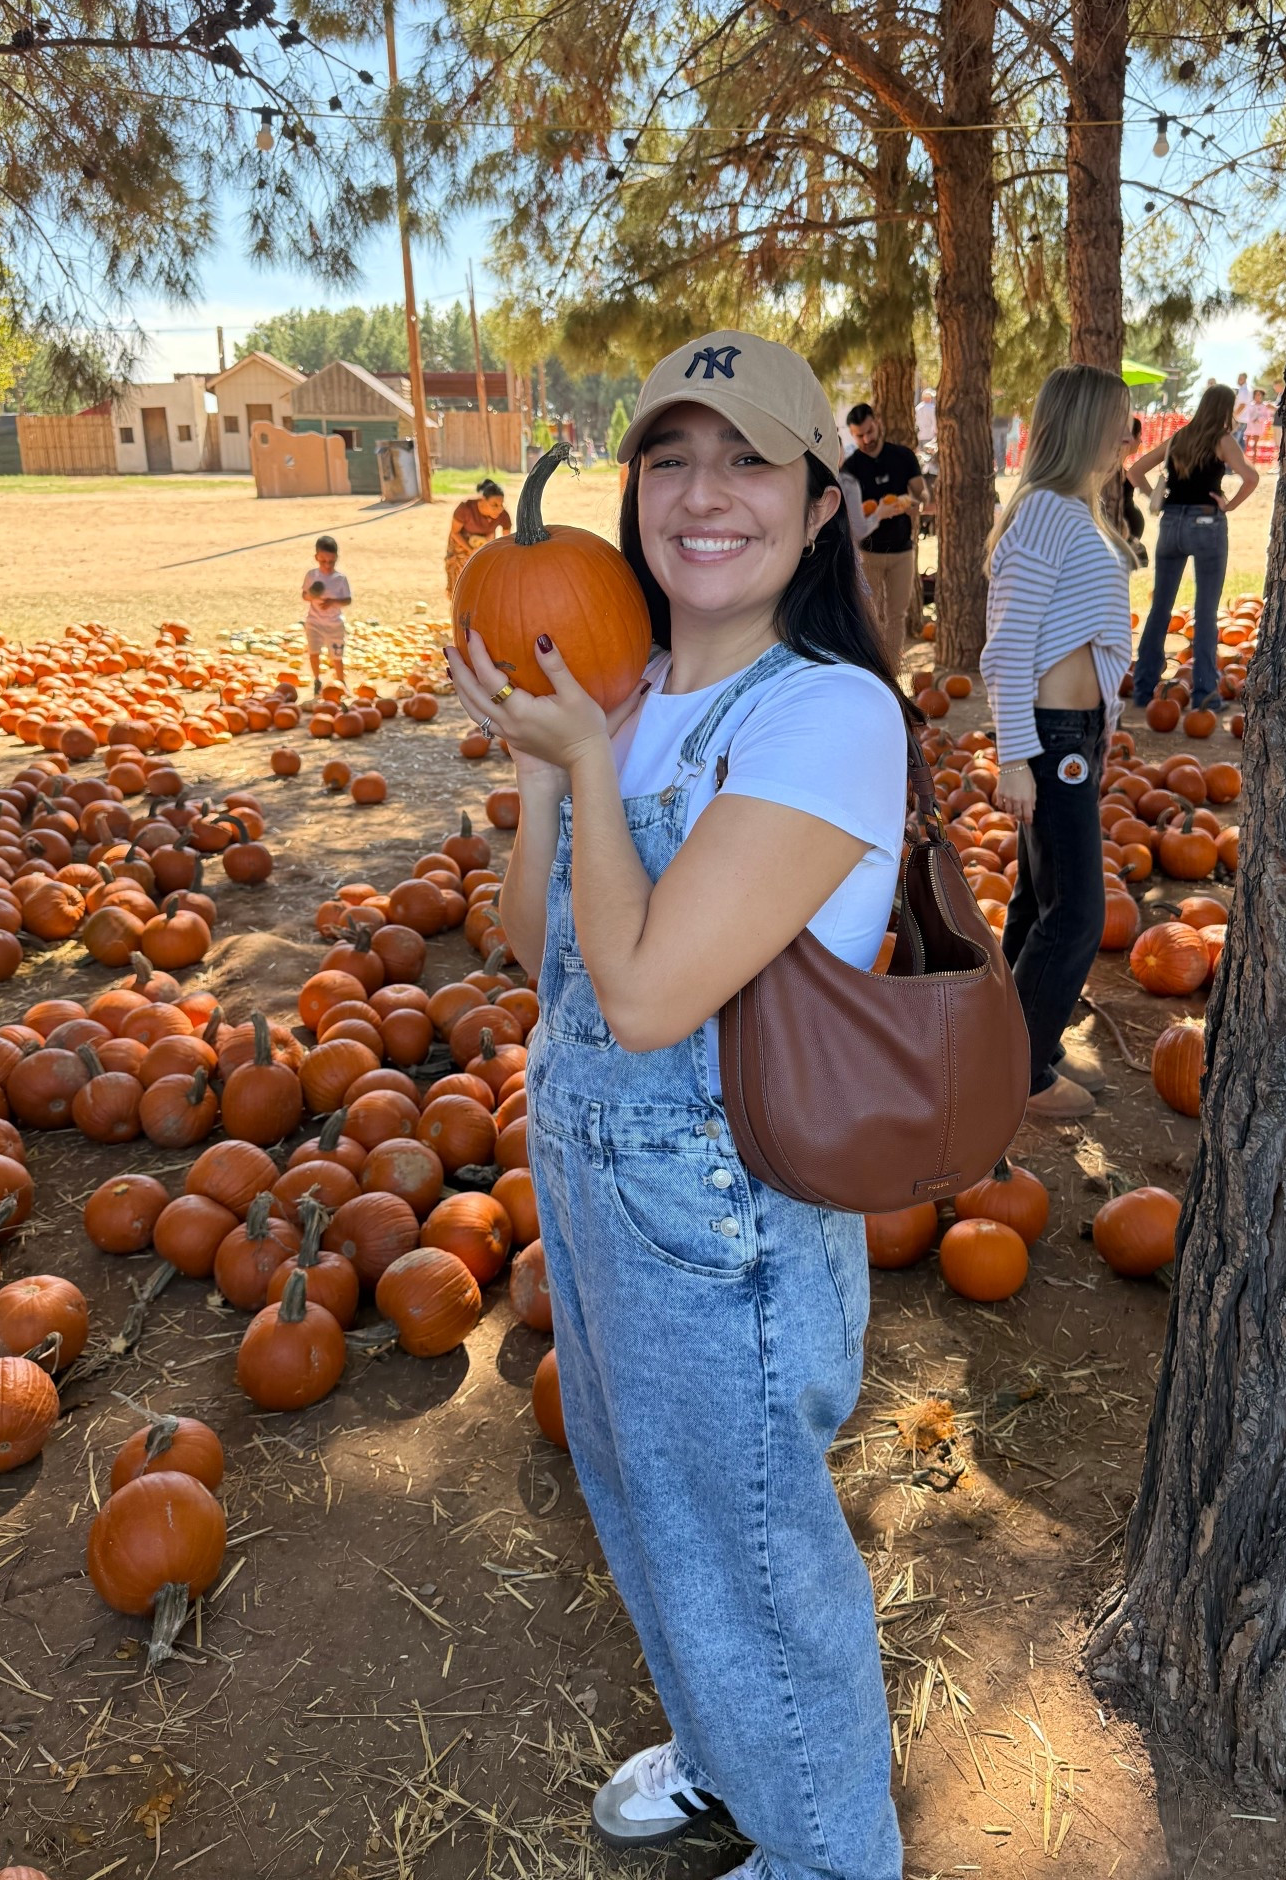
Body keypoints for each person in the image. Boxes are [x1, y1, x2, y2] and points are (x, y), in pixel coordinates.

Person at [449, 328, 908, 1880]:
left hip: (729, 1226)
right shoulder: (631, 698)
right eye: (671, 460)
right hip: (593, 1184)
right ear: (633, 489)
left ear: (819, 500)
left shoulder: (826, 716)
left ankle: (833, 1856)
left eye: (748, 460)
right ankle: (729, 1758)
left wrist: (584, 766)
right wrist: (547, 759)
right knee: (649, 1509)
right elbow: (544, 946)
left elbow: (648, 1002)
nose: (704, 495)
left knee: (761, 1565)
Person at [980, 364, 1136, 1120]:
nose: (1128, 435)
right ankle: (1020, 1077)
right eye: (1119, 421)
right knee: (1076, 911)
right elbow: (1007, 648)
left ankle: (1006, 1047)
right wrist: (1015, 756)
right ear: (1083, 427)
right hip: (1050, 737)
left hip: (1072, 734)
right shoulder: (1047, 512)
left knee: (1038, 901)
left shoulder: (1071, 512)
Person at [1128, 383, 1258, 711]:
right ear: (1226, 409)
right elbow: (1251, 477)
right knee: (1205, 608)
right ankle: (1205, 694)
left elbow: (1135, 471)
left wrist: (1155, 497)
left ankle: (1143, 688)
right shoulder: (1223, 440)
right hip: (1206, 523)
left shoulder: (1178, 438)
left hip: (1171, 524)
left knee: (1160, 607)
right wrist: (1229, 506)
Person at [842, 402, 925, 669]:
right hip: (868, 553)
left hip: (902, 550)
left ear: (877, 423)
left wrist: (914, 503)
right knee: (869, 617)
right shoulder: (851, 470)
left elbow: (921, 494)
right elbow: (852, 522)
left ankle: (891, 671)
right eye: (859, 435)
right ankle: (872, 670)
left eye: (869, 431)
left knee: (897, 616)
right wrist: (879, 513)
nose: (866, 439)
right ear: (852, 436)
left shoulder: (902, 456)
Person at [446, 477, 510, 600]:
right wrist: (471, 551)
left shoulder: (503, 515)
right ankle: (456, 607)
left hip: (485, 544)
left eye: (501, 504)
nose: (499, 509)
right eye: (494, 505)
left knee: (483, 578)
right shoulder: (465, 509)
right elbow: (455, 533)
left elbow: (506, 540)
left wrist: (497, 556)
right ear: (482, 500)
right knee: (459, 581)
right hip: (461, 542)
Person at [301, 535, 350, 692]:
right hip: (314, 622)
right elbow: (304, 596)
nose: (327, 565)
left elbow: (347, 600)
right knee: (314, 652)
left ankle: (341, 681)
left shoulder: (340, 579)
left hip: (334, 623)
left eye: (331, 561)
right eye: (323, 561)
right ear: (316, 557)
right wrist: (312, 595)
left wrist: (332, 602)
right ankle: (317, 680)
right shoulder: (311, 576)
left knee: (337, 655)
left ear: (336, 558)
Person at [1118, 418, 1149, 567]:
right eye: (1139, 436)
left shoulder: (1120, 467)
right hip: (1119, 538)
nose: (1141, 441)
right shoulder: (1111, 469)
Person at [1232, 370, 1252, 452]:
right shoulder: (1246, 389)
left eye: (1240, 378)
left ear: (1245, 379)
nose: (1238, 380)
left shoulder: (1243, 390)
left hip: (1239, 419)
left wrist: (1234, 416)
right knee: (1240, 442)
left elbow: (1242, 405)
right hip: (1243, 419)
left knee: (1234, 442)